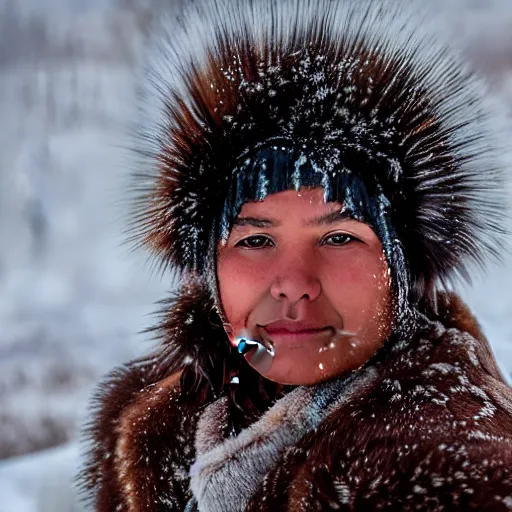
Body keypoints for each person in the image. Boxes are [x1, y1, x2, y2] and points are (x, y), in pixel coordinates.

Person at [79, 0, 512, 509]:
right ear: (211, 272)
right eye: (255, 241)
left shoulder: (437, 463)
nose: (293, 283)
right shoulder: (166, 421)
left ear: (397, 271)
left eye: (338, 238)